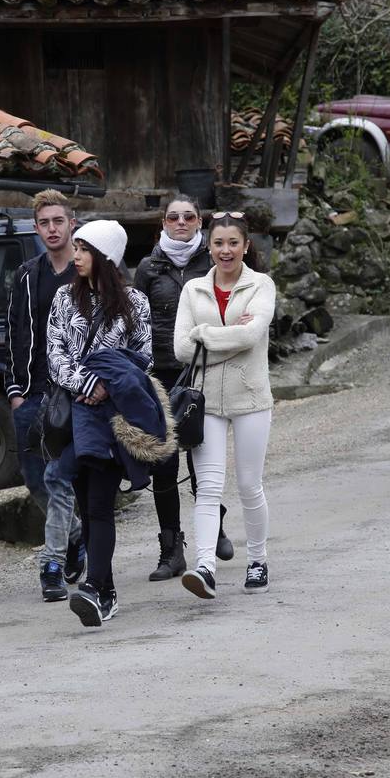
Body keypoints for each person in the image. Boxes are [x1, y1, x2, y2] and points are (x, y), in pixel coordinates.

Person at [46, 220, 161, 626]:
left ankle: (94, 588)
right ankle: (105, 592)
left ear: (106, 256)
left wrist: (107, 387)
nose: (75, 256)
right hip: (76, 413)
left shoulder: (136, 303)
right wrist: (86, 382)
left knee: (99, 504)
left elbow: (142, 359)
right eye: (75, 248)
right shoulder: (63, 297)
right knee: (85, 500)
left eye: (83, 249)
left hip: (113, 417)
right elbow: (55, 353)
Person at [174, 211, 277, 598]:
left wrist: (205, 336)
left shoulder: (261, 285)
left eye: (233, 242)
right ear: (209, 246)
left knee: (250, 485)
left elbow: (252, 335)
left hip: (250, 398)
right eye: (219, 243)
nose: (226, 250)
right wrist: (228, 337)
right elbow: (181, 349)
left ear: (246, 245)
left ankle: (258, 560)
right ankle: (204, 567)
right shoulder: (192, 290)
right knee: (209, 488)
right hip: (206, 403)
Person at [132, 199, 233, 582]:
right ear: (163, 222)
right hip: (158, 375)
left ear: (199, 222)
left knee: (201, 458)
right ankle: (171, 550)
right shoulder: (148, 267)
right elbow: (136, 317)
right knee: (163, 464)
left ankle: (214, 526)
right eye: (173, 217)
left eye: (188, 217)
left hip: (201, 372)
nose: (180, 222)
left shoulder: (211, 261)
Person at [6, 190, 85, 602]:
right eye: (44, 223)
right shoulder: (24, 275)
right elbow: (15, 334)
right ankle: (76, 536)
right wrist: (15, 392)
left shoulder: (87, 270)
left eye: (59, 221)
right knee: (35, 480)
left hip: (76, 393)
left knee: (58, 479)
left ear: (72, 223)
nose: (52, 229)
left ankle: (51, 567)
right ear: (36, 228)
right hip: (32, 395)